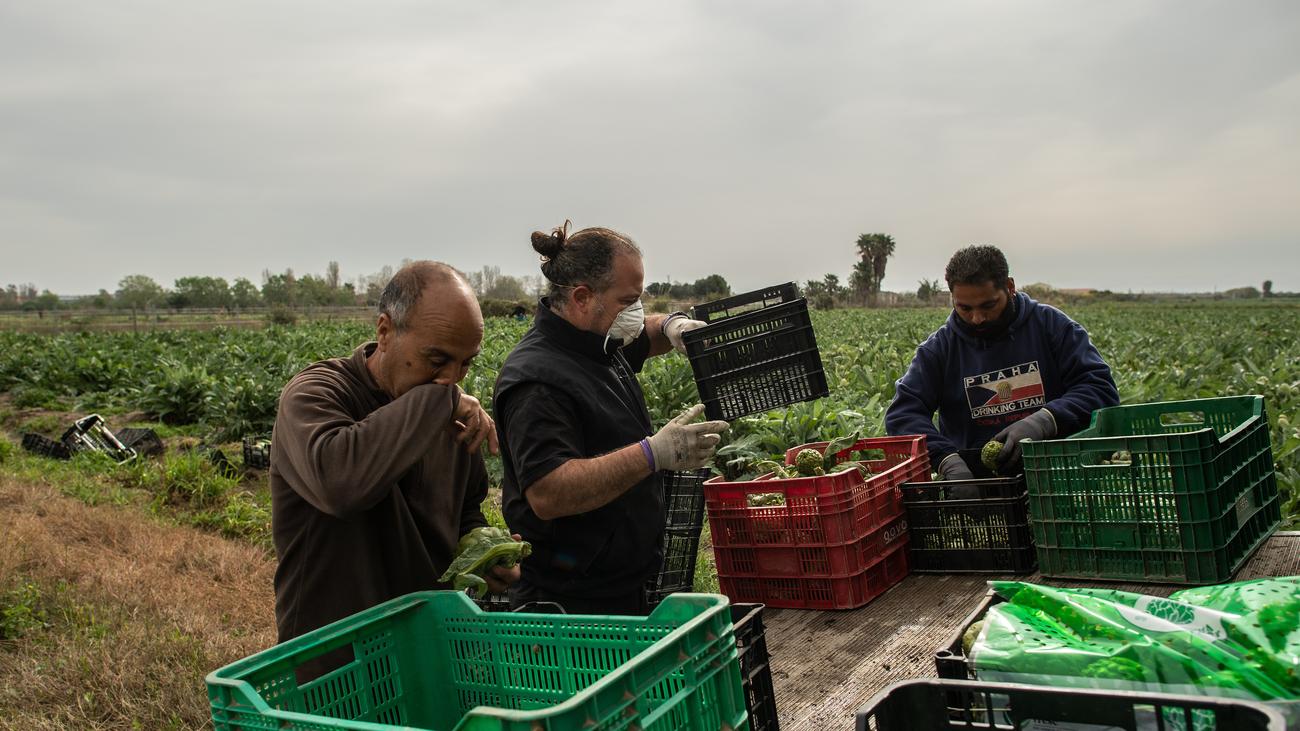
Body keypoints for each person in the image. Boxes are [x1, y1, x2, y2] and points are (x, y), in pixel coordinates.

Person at [270, 261, 517, 647]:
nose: (451, 379)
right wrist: (441, 402)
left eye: (465, 363)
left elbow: (464, 509)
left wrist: (483, 554)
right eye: (437, 360)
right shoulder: (317, 394)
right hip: (336, 653)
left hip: (424, 644)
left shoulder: (448, 414)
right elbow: (340, 483)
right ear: (385, 332)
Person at [493, 221, 728, 615]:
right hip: (570, 604)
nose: (635, 311)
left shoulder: (596, 341)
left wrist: (673, 326)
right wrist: (653, 454)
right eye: (628, 300)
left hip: (619, 584)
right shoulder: (537, 381)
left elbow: (645, 332)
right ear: (582, 297)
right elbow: (548, 493)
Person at [885, 245, 1119, 481]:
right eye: (965, 308)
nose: (977, 318)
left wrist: (1045, 421)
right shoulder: (939, 349)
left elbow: (1099, 388)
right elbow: (903, 415)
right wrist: (946, 459)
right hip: (978, 485)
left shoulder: (1052, 327)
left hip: (1060, 476)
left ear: (1009, 287)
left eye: (988, 305)